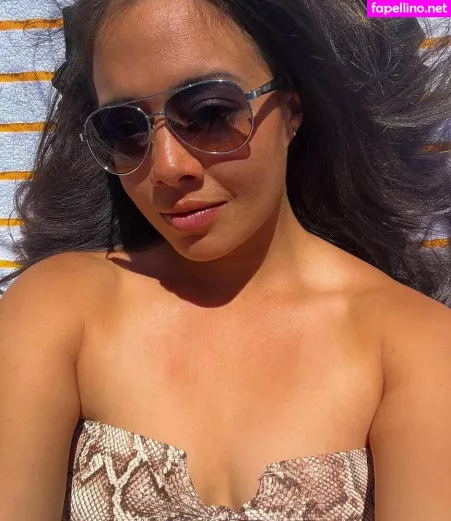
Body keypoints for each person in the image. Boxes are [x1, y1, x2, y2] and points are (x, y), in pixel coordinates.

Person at [1, 0, 451, 519]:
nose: (167, 167)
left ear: (292, 110)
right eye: (126, 129)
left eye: (210, 113)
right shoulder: (55, 310)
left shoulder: (412, 346)